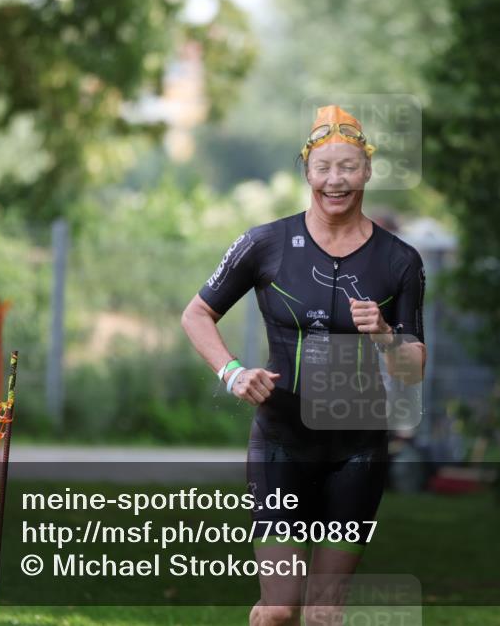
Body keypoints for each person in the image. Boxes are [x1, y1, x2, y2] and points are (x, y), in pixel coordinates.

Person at [181, 105, 427, 626]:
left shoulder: (400, 260)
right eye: (323, 168)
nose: (335, 180)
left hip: (358, 449)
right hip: (282, 442)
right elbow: (197, 313)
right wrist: (232, 372)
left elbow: (413, 368)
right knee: (278, 611)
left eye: (348, 167)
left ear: (366, 172)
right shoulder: (264, 243)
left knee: (323, 613)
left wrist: (384, 334)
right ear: (307, 172)